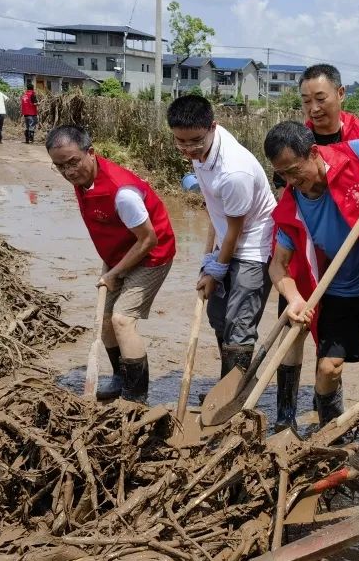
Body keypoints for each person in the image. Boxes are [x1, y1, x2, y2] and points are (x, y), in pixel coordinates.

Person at [265, 121, 359, 431]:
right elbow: (278, 265)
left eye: (295, 170)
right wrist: (294, 298)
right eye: (283, 175)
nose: (292, 181)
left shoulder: (355, 154)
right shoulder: (292, 207)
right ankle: (330, 436)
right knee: (328, 369)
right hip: (338, 292)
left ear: (314, 152)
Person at [271, 64, 359, 433]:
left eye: (320, 99)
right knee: (296, 324)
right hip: (314, 254)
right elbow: (289, 202)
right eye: (305, 101)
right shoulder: (294, 145)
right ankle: (289, 417)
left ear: (340, 95)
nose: (313, 108)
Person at [45, 124, 176, 402]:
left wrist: (116, 272)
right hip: (120, 255)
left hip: (152, 254)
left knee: (122, 320)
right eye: (60, 167)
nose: (69, 172)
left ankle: (135, 398)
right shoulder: (82, 181)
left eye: (73, 162)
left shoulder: (122, 193)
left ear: (90, 153)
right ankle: (120, 377)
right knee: (104, 321)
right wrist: (109, 265)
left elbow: (148, 240)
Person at [167, 94, 276, 379]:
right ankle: (225, 386)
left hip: (253, 246)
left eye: (195, 141)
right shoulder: (201, 149)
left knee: (239, 325)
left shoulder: (234, 171)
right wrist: (208, 259)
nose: (188, 149)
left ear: (213, 127)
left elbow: (235, 231)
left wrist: (216, 270)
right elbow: (214, 210)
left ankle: (232, 402)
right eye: (181, 141)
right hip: (226, 240)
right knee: (218, 317)